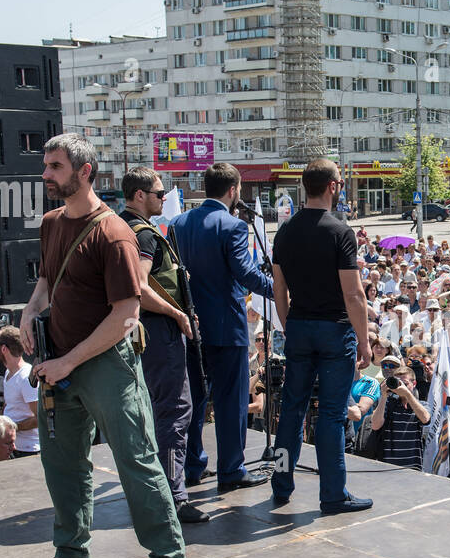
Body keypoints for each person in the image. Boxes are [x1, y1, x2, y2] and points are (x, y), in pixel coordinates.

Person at [19, 133, 187, 558]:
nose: (46, 174)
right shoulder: (52, 223)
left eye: (54, 166)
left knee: (136, 460)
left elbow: (126, 315)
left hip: (105, 363)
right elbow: (48, 282)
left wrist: (68, 360)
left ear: (84, 171)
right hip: (59, 364)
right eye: (46, 165)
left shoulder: (114, 234)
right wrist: (30, 311)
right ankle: (72, 554)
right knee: (62, 464)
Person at [270, 158, 373, 512]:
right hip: (334, 330)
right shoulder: (339, 232)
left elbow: (278, 288)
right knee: (331, 415)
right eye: (341, 182)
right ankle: (333, 494)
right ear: (332, 186)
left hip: (298, 326)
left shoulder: (284, 231)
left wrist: (288, 324)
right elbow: (354, 294)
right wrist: (364, 340)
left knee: (291, 410)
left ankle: (281, 483)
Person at [172, 162, 275, 492]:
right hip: (227, 328)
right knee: (231, 401)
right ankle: (231, 470)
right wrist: (281, 290)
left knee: (195, 399)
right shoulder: (233, 226)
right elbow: (246, 275)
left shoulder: (177, 223)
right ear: (233, 190)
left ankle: (192, 466)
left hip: (190, 326)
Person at [120, 166, 208, 524]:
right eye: (159, 194)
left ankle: (156, 491)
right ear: (140, 196)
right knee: (175, 411)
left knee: (153, 413)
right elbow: (139, 287)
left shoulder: (122, 228)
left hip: (146, 334)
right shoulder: (141, 235)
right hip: (160, 333)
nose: (163, 198)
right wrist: (177, 313)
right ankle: (174, 495)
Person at [0, 326, 40, 458]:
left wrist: (11, 428)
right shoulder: (8, 373)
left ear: (4, 349)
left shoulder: (25, 378)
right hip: (13, 447)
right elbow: (12, 407)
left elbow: (40, 417)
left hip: (28, 450)